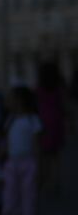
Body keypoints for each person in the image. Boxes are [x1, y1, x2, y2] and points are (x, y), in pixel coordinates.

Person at [0, 85, 42, 215]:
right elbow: (4, 147)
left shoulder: (33, 120)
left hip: (28, 165)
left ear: (19, 101)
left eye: (10, 98)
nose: (6, 101)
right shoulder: (10, 121)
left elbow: (37, 147)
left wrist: (39, 170)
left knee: (28, 211)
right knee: (8, 210)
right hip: (11, 166)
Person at [36, 61, 67, 195]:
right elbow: (64, 104)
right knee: (55, 154)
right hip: (56, 120)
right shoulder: (59, 87)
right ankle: (56, 181)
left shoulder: (39, 88)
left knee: (44, 154)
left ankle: (45, 181)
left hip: (43, 121)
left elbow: (36, 104)